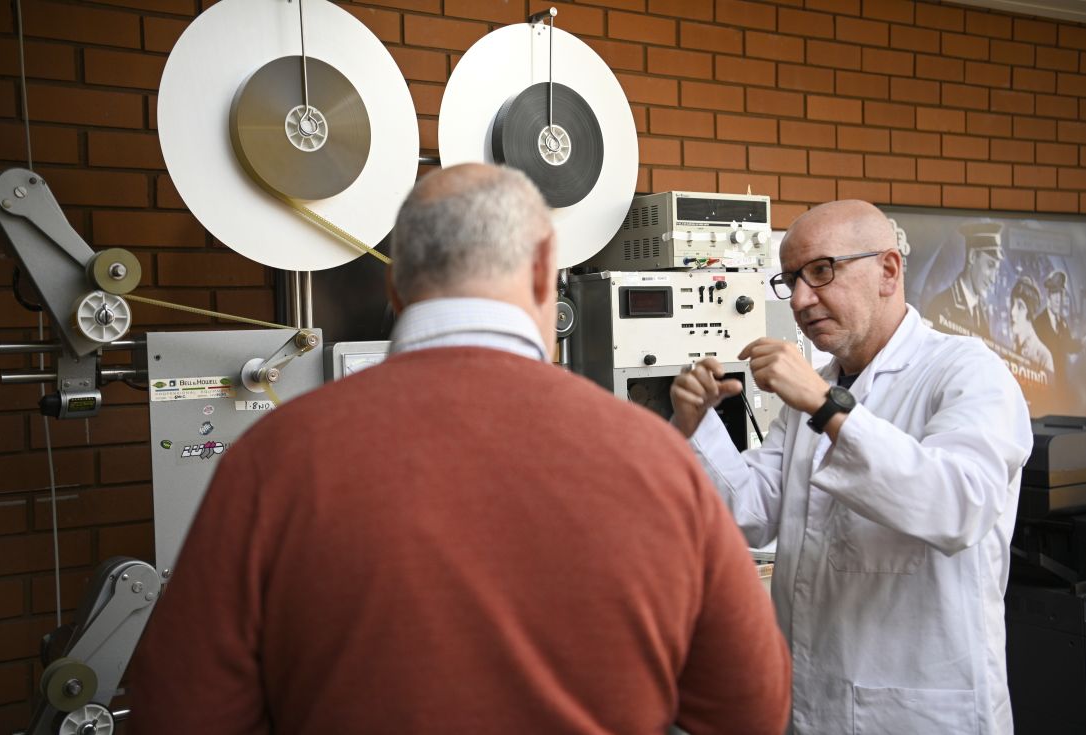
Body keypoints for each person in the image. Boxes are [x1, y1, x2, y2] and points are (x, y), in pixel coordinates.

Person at [128, 164, 791, 735]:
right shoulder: (659, 461)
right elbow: (751, 709)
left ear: (396, 289)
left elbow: (179, 711)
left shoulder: (272, 459)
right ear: (542, 271)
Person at [671, 200, 1032, 735]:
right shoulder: (822, 391)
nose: (799, 299)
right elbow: (749, 512)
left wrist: (825, 405)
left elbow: (960, 506)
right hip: (813, 702)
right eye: (790, 279)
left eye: (821, 271)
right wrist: (697, 424)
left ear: (888, 270)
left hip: (920, 713)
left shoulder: (967, 372)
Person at [924, 221, 1004, 340]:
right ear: (972, 256)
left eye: (996, 270)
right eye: (990, 265)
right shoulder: (940, 306)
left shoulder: (983, 310)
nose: (993, 279)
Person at [1009, 275, 1054, 372]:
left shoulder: (1044, 357)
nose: (1013, 312)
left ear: (1030, 312)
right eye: (1013, 304)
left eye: (1020, 307)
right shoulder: (1009, 349)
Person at [1033, 269, 1074, 360]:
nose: (1057, 300)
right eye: (1055, 294)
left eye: (1060, 295)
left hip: (1061, 373)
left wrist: (1082, 343)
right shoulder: (1039, 322)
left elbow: (1070, 345)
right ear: (1049, 297)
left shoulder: (1062, 322)